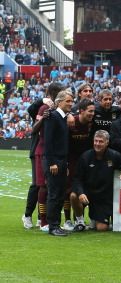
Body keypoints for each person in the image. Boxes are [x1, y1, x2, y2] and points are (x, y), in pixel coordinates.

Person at [22, 82, 64, 230]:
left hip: (50, 151)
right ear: (54, 93)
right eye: (61, 92)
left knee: (46, 185)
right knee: (39, 185)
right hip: (39, 150)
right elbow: (32, 115)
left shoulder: (58, 109)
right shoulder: (44, 107)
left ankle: (42, 218)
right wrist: (42, 102)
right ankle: (30, 216)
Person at [73, 130, 121, 232]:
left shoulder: (114, 155)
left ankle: (96, 219)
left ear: (107, 142)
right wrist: (80, 193)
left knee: (102, 228)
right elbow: (77, 178)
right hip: (87, 193)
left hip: (103, 197)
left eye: (100, 141)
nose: (97, 144)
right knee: (73, 196)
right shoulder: (85, 156)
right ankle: (80, 222)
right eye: (95, 141)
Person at [43, 90, 74, 236]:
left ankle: (56, 224)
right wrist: (52, 162)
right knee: (54, 194)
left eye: (71, 101)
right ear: (59, 102)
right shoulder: (53, 117)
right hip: (55, 161)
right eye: (68, 101)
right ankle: (53, 226)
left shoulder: (62, 118)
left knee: (60, 193)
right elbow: (48, 141)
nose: (71, 104)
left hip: (61, 161)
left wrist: (65, 164)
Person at [65, 99, 94, 231]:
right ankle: (75, 220)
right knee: (72, 192)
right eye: (90, 111)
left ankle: (93, 219)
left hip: (88, 162)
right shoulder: (71, 121)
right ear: (81, 111)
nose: (92, 114)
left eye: (94, 111)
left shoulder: (92, 123)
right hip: (71, 162)